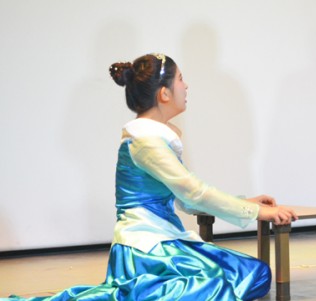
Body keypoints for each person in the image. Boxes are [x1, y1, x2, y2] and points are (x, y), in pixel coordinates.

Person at [4, 53, 297, 301]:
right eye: (180, 79)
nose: (186, 86)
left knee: (255, 274)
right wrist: (258, 212)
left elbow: (187, 199)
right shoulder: (145, 141)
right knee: (217, 284)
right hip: (145, 248)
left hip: (164, 240)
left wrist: (245, 203)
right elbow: (193, 192)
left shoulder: (155, 137)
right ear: (164, 93)